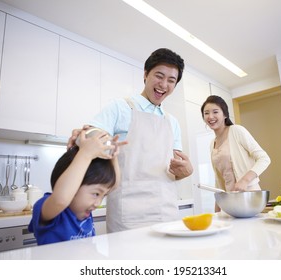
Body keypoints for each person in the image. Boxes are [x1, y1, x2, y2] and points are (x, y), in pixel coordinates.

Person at [67, 48, 193, 232]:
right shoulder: (120, 108)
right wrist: (85, 135)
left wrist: (186, 171)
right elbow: (93, 137)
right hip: (127, 213)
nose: (164, 84)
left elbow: (175, 170)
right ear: (145, 74)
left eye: (171, 80)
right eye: (159, 76)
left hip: (166, 211)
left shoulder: (172, 122)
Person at [29, 130, 122, 245]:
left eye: (103, 196)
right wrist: (85, 154)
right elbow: (61, 200)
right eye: (96, 194)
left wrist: (113, 156)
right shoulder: (50, 208)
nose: (97, 203)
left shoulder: (82, 210)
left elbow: (114, 185)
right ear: (74, 183)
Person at [201, 95, 271, 211]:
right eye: (206, 113)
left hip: (249, 197)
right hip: (229, 202)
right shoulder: (212, 143)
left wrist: (244, 180)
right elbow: (219, 180)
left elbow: (264, 158)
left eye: (215, 112)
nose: (210, 116)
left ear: (225, 114)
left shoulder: (236, 131)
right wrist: (217, 209)